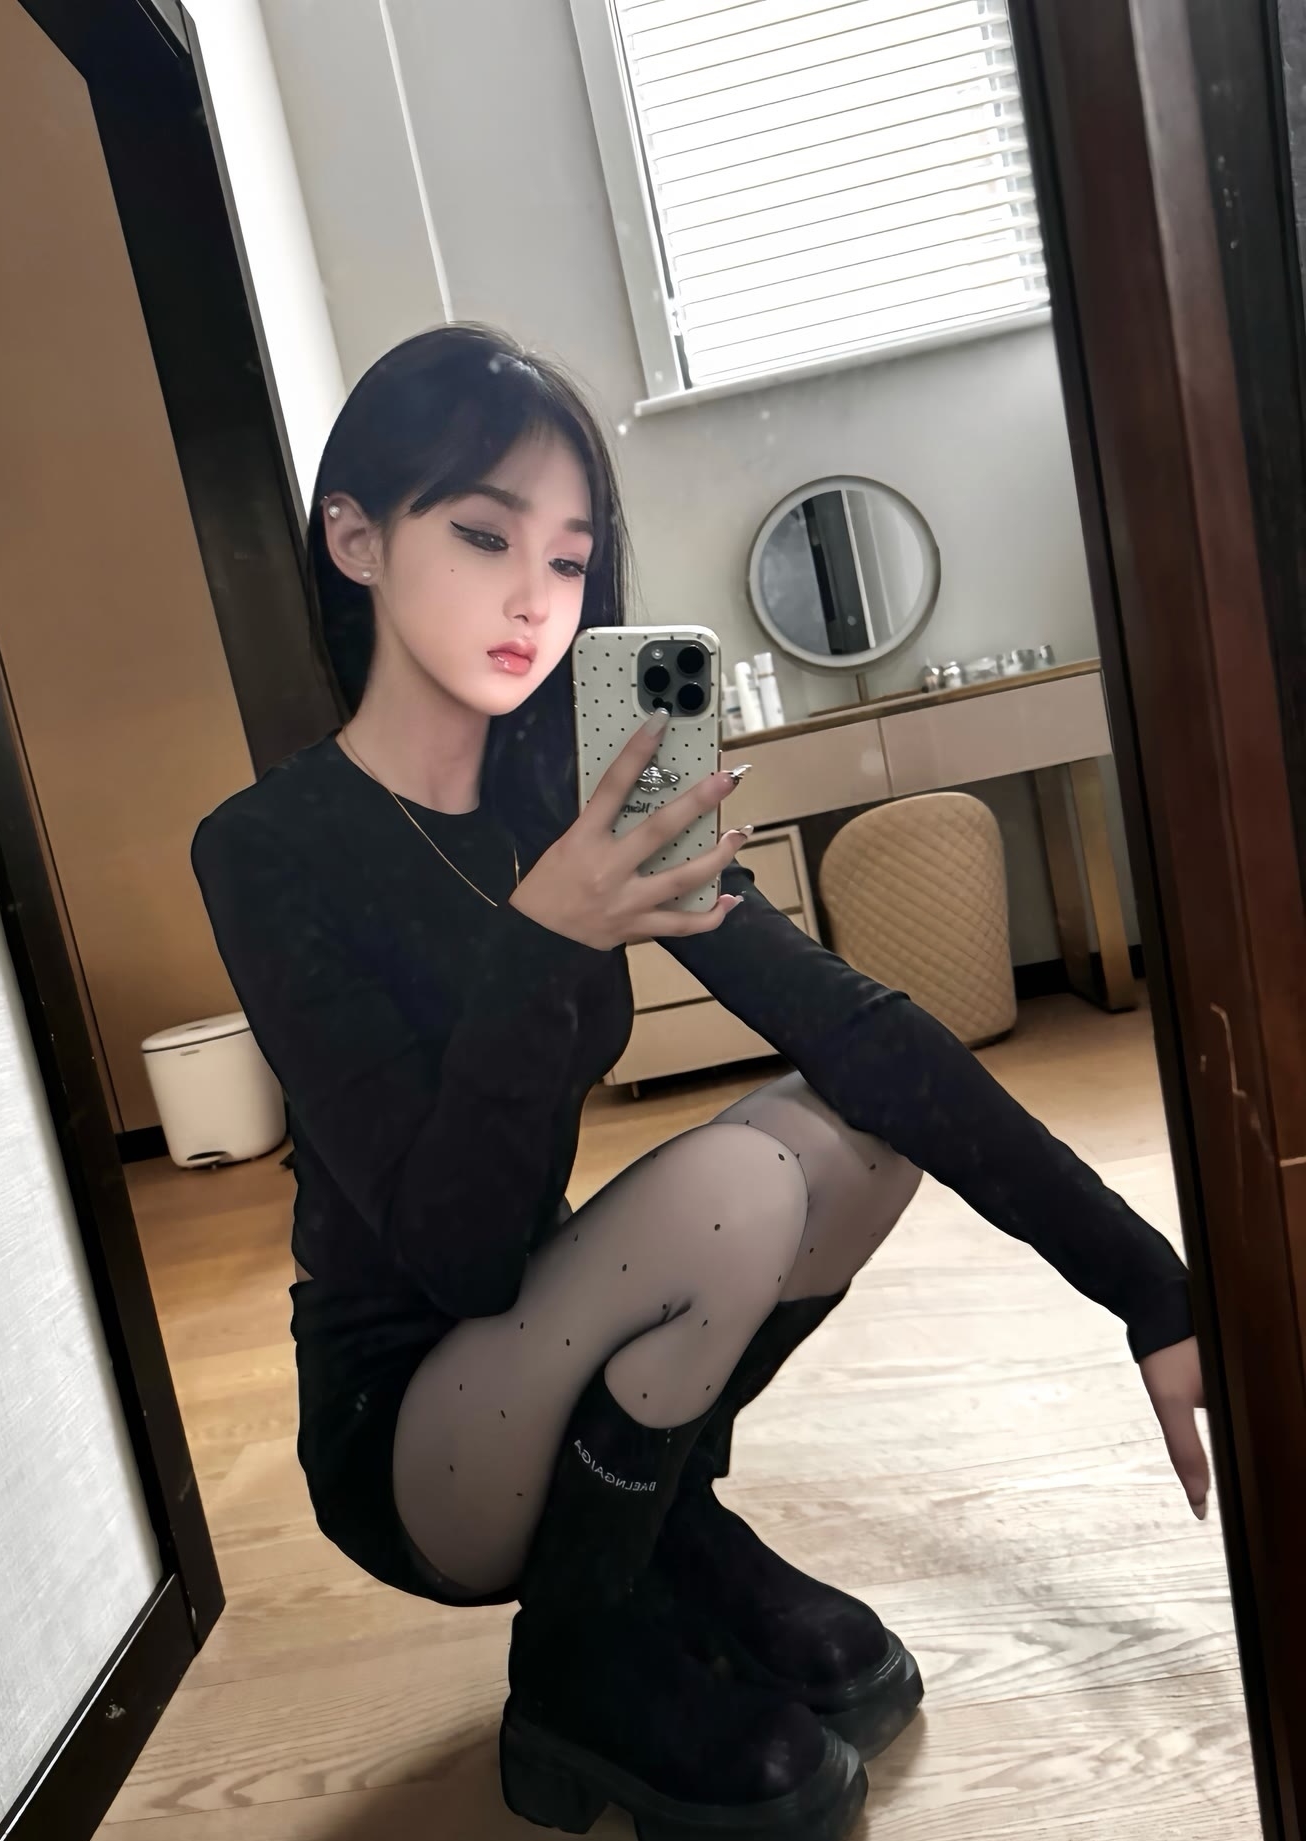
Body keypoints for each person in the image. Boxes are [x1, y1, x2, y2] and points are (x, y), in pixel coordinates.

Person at [191, 324, 1209, 1841]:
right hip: (413, 1430)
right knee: (734, 1191)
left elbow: (863, 1034)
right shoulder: (267, 850)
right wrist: (544, 936)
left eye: (571, 559)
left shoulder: (577, 795)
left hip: (539, 1330)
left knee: (855, 1133)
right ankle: (578, 1657)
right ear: (357, 538)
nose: (536, 599)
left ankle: (663, 1530)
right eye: (482, 535)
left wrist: (1153, 1288)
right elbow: (455, 1251)